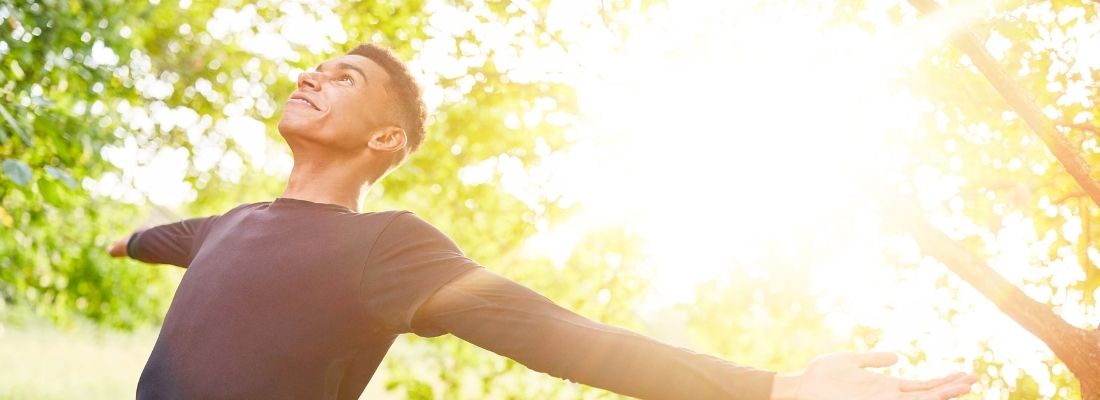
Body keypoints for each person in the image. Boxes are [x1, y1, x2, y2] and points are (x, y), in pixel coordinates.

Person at [108, 43, 977, 400]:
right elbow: (172, 239)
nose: (312, 77)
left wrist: (781, 390)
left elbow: (565, 338)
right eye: (314, 69)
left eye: (341, 78)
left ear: (385, 137)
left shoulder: (387, 250)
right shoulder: (231, 224)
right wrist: (129, 240)